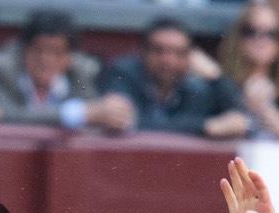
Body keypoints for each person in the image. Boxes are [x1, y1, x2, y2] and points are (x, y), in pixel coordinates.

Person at [0, 10, 134, 132]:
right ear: (23, 49)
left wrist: (114, 115)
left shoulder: (79, 72)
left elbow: (95, 111)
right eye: (38, 50)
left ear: (69, 56)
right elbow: (3, 116)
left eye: (56, 52)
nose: (46, 60)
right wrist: (77, 114)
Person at [99, 17, 249, 139]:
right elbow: (130, 122)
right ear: (142, 52)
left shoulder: (198, 86)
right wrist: (205, 126)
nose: (168, 60)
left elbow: (241, 119)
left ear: (190, 57)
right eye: (159, 50)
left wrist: (216, 76)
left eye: (178, 53)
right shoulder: (123, 72)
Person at [217, 2, 279, 140]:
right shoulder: (222, 83)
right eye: (251, 31)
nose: (260, 40)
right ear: (238, 37)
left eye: (271, 34)